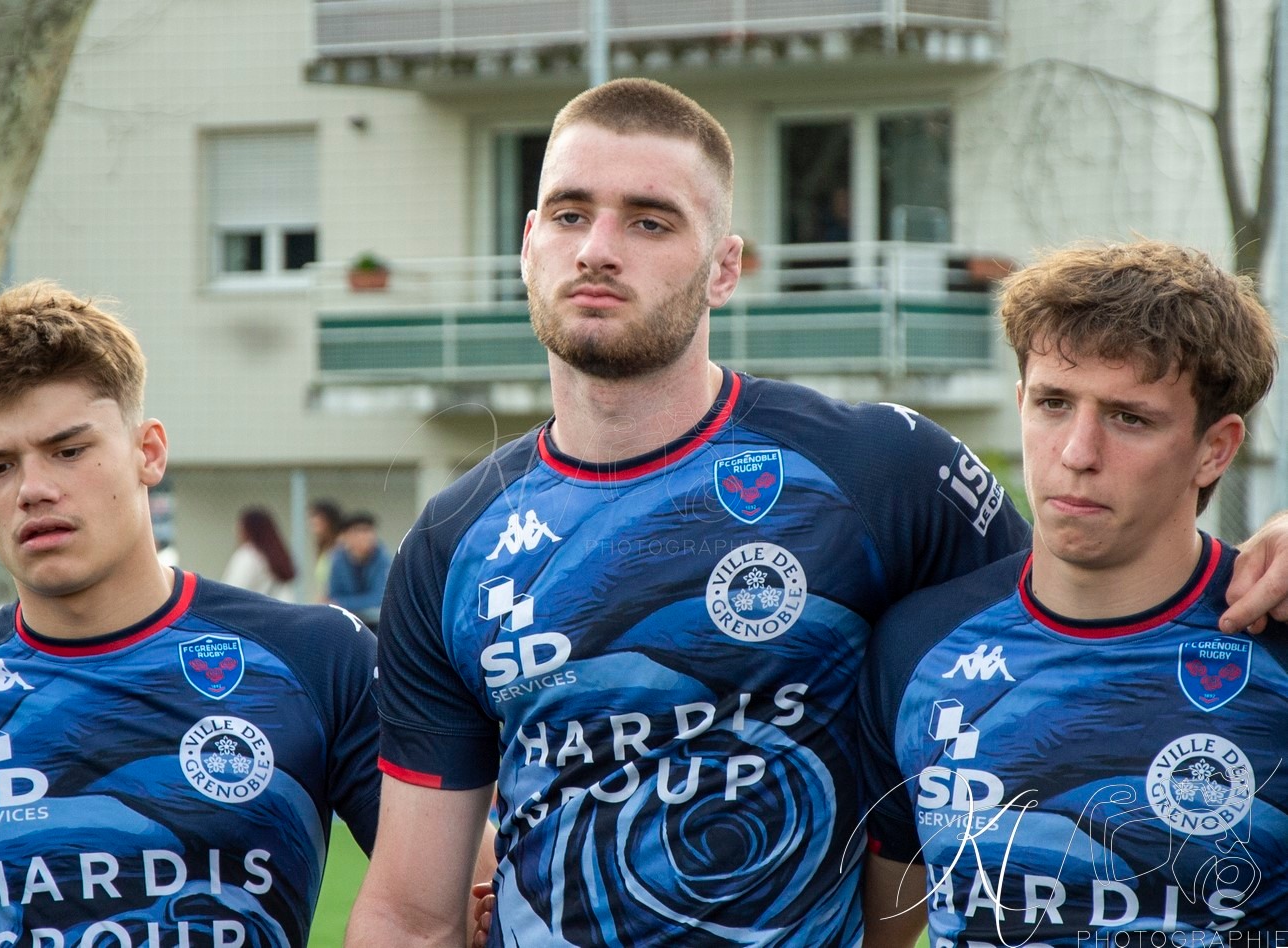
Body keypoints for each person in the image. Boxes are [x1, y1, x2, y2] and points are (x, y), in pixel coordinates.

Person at [345, 78, 1288, 948]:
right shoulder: (450, 539)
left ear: (724, 269)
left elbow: (1097, 604)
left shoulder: (883, 468)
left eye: (650, 221)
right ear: (528, 243)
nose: (598, 247)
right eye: (570, 214)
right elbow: (410, 906)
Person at [0, 280, 385, 947]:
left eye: (69, 450)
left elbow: (443, 898)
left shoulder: (316, 657)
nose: (33, 490)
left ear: (149, 451)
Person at [859, 240, 1288, 942]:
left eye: (1130, 418)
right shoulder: (914, 647)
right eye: (1054, 404)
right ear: (1021, 400)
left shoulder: (1274, 642)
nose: (1077, 453)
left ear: (1216, 447)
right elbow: (881, 932)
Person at [327, 512, 392, 630]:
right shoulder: (337, 560)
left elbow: (380, 598)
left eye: (368, 531)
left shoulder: (383, 559)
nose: (365, 536)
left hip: (377, 627)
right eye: (358, 531)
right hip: (347, 625)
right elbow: (333, 595)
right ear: (346, 536)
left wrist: (344, 603)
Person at [222, 504, 298, 601]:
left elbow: (232, 590)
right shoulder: (278, 556)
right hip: (280, 611)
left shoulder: (247, 554)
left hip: (254, 613)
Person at [309, 499, 343, 603]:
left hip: (338, 602)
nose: (313, 522)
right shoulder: (323, 546)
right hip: (326, 601)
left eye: (318, 518)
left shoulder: (341, 546)